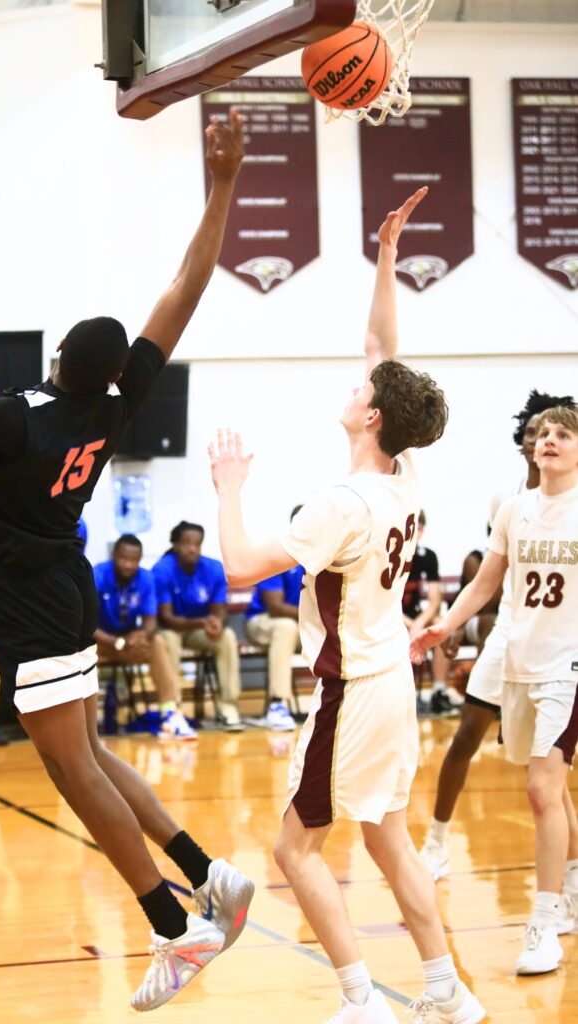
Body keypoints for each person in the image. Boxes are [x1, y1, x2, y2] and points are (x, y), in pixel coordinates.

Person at [0, 109, 254, 1012]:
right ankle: (206, 872)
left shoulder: (13, 414)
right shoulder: (111, 411)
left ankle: (177, 928)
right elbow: (184, 285)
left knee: (73, 773)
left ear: (57, 354)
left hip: (28, 596)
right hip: (70, 584)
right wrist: (221, 186)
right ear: (110, 372)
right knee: (91, 752)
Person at [209, 188, 484, 1024]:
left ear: (370, 415)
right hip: (389, 682)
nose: (358, 379)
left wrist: (229, 488)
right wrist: (387, 257)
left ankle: (362, 999)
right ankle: (447, 992)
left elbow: (237, 571)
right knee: (386, 833)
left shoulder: (339, 501)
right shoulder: (401, 476)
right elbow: (380, 347)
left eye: (365, 386)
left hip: (349, 690)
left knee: (292, 848)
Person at [411, 404, 578, 976]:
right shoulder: (514, 510)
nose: (549, 440)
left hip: (569, 667)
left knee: (541, 787)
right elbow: (485, 583)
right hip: (520, 662)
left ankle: (544, 922)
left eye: (563, 434)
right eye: (544, 433)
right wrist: (445, 626)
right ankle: (570, 894)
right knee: (548, 790)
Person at [0, 517, 86, 774]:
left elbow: (73, 572)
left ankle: (70, 749)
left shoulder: (76, 523)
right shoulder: (4, 519)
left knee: (61, 670)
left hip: (47, 601)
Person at [93, 533, 197, 740]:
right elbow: (86, 625)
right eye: (123, 559)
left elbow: (151, 621)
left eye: (133, 560)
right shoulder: (97, 575)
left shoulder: (146, 578)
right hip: (98, 643)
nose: (128, 565)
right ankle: (88, 724)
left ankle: (170, 713)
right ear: (114, 556)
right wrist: (117, 642)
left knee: (157, 641)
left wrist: (141, 635)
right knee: (78, 653)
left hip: (129, 644)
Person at [153, 520, 243, 732]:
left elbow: (220, 607)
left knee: (227, 637)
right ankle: (172, 709)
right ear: (175, 545)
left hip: (197, 629)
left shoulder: (213, 568)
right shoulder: (162, 569)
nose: (192, 548)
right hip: (172, 628)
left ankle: (228, 709)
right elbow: (166, 618)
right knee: (168, 640)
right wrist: (204, 621)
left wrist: (217, 622)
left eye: (197, 543)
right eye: (186, 543)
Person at [244, 506, 304, 732]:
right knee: (286, 626)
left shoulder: (326, 557)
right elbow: (276, 607)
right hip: (263, 622)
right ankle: (278, 705)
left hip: (302, 626)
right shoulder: (279, 554)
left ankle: (341, 705)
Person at [402, 510, 459, 717]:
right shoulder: (390, 554)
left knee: (440, 623)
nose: (414, 533)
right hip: (392, 617)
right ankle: (401, 696)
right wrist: (409, 624)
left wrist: (418, 622)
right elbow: (383, 601)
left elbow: (435, 601)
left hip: (415, 616)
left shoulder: (427, 556)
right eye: (411, 527)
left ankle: (439, 691)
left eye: (418, 528)